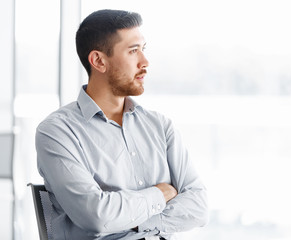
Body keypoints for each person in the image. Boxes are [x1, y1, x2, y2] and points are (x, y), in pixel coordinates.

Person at [35, 9, 208, 240]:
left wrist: (132, 221)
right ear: (98, 61)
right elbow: (96, 217)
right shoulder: (57, 132)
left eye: (143, 50)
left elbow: (198, 207)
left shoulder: (159, 126)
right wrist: (159, 194)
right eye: (133, 51)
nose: (145, 62)